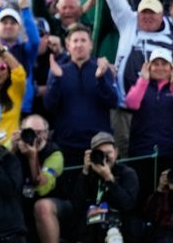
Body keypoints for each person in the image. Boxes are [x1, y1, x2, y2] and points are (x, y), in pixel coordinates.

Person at [44, 24, 118, 168]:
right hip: (66, 143)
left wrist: (101, 79)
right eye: (75, 41)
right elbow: (49, 105)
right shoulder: (59, 70)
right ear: (68, 45)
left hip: (97, 144)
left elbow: (113, 102)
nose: (79, 45)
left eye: (83, 40)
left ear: (91, 44)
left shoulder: (102, 69)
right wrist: (56, 80)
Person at [125, 48, 173, 207]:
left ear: (172, 68)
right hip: (142, 151)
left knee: (168, 198)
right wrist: (143, 80)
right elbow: (132, 103)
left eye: (164, 64)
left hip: (170, 151)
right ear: (148, 67)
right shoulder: (141, 85)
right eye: (155, 64)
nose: (160, 67)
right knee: (143, 195)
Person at [70, 132, 139, 243]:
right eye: (101, 154)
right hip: (88, 240)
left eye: (108, 153)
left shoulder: (127, 173)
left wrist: (109, 179)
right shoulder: (88, 175)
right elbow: (76, 205)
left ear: (116, 153)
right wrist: (85, 173)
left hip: (118, 239)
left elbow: (128, 205)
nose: (105, 158)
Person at [10, 115, 65, 243]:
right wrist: (11, 150)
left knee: (42, 207)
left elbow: (42, 189)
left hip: (52, 203)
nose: (34, 136)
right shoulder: (15, 146)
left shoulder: (54, 154)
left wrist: (32, 157)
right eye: (29, 132)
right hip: (21, 204)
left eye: (39, 132)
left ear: (46, 133)